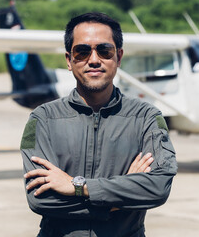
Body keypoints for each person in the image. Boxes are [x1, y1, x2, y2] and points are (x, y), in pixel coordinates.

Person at [19, 12, 177, 237]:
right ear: (68, 60)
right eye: (82, 51)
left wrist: (78, 187)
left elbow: (157, 188)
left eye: (104, 51)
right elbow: (41, 199)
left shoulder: (146, 118)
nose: (94, 59)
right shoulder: (43, 119)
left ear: (119, 57)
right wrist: (119, 198)